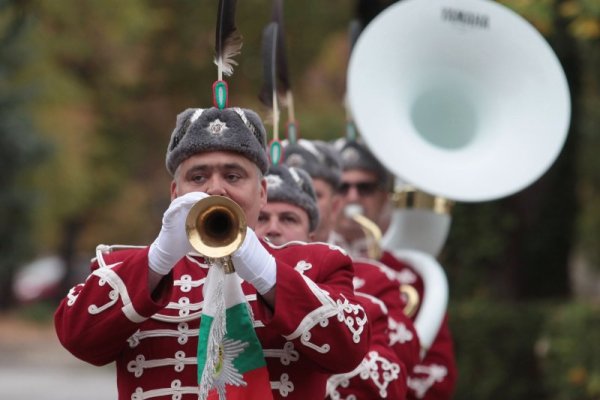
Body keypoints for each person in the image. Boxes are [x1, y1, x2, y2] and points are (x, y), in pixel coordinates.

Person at [54, 106, 371, 400]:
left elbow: (349, 350)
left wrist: (265, 270)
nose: (215, 190)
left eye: (233, 176)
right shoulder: (127, 268)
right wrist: (158, 259)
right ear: (174, 192)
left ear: (261, 194)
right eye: (198, 177)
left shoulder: (317, 265)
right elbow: (78, 339)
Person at [280, 140, 422, 399]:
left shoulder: (372, 277)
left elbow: (394, 373)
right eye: (267, 212)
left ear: (334, 205)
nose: (275, 225)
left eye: (311, 193)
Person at [332, 137, 458, 400]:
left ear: (383, 197)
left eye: (364, 188)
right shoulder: (307, 265)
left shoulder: (411, 276)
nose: (353, 197)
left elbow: (439, 371)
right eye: (342, 187)